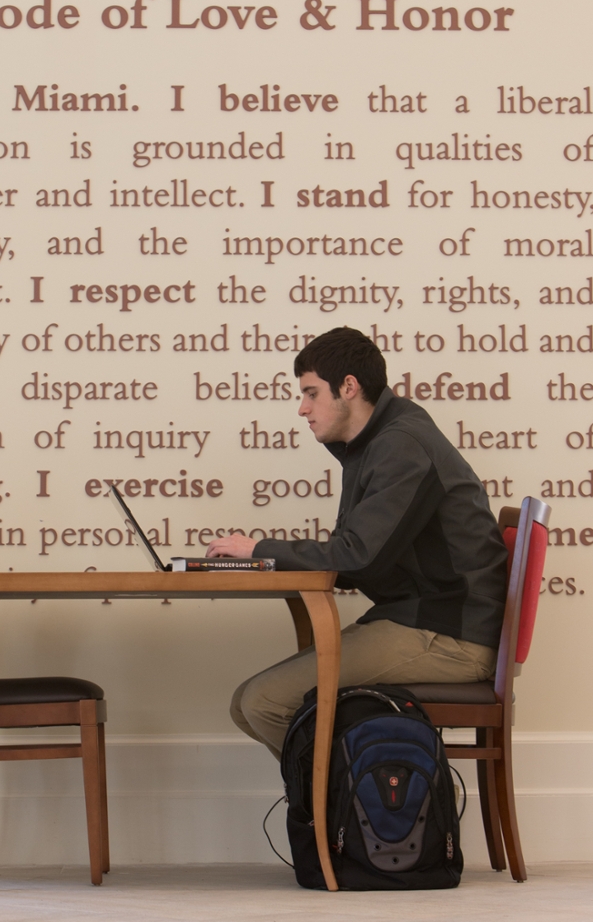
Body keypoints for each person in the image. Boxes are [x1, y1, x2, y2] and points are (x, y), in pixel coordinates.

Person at [206, 326, 508, 760]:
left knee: (263, 702)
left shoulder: (401, 444)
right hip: (422, 620)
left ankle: (347, 816)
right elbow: (360, 554)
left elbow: (359, 556)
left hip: (451, 636)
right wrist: (264, 556)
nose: (302, 408)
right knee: (245, 704)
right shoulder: (378, 441)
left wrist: (259, 550)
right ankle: (346, 808)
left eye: (311, 393)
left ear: (348, 387)